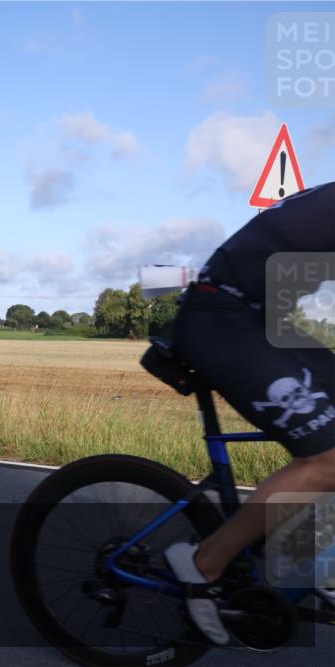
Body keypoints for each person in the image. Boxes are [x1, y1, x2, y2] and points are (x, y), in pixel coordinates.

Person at [165, 181, 335, 645]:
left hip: (257, 320)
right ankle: (204, 564)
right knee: (327, 461)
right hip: (221, 319)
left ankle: (288, 544)